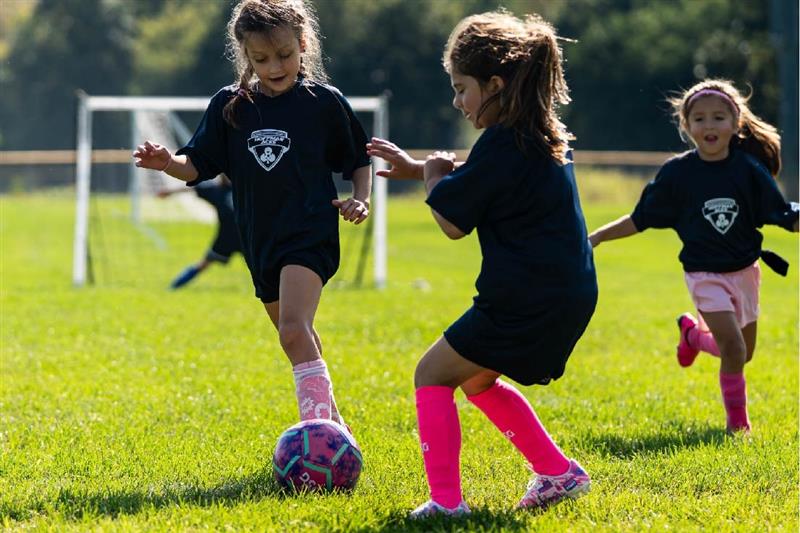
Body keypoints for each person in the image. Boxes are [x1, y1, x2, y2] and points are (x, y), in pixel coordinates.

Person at [368, 10, 597, 517]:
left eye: (461, 87)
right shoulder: (539, 134)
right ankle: (558, 473)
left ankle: (446, 504)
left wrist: (430, 179)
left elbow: (451, 221)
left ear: (495, 84)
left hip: (525, 297)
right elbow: (486, 176)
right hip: (565, 293)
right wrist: (419, 171)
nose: (457, 101)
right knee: (476, 378)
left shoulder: (499, 142)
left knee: (431, 374)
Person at [133, 0, 371, 431]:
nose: (275, 66)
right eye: (261, 59)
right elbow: (196, 165)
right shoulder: (231, 106)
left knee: (293, 330)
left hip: (310, 231)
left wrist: (361, 197)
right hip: (259, 240)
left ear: (303, 45)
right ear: (245, 55)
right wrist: (167, 161)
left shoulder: (322, 103)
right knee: (296, 335)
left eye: (284, 55)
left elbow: (357, 159)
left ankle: (318, 436)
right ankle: (337, 428)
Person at [588, 79, 799, 434]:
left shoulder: (749, 170)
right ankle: (738, 426)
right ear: (687, 127)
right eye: (699, 119)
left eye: (719, 117)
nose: (709, 125)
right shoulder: (677, 174)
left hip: (746, 271)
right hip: (704, 275)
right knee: (732, 349)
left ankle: (693, 338)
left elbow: (782, 213)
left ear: (735, 125)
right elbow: (641, 219)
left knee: (743, 353)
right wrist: (596, 237)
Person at [156, 175, 243, 289]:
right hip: (225, 238)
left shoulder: (246, 189)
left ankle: (268, 291)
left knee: (261, 266)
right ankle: (173, 287)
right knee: (203, 265)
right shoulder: (216, 191)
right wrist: (170, 192)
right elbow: (193, 188)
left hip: (247, 238)